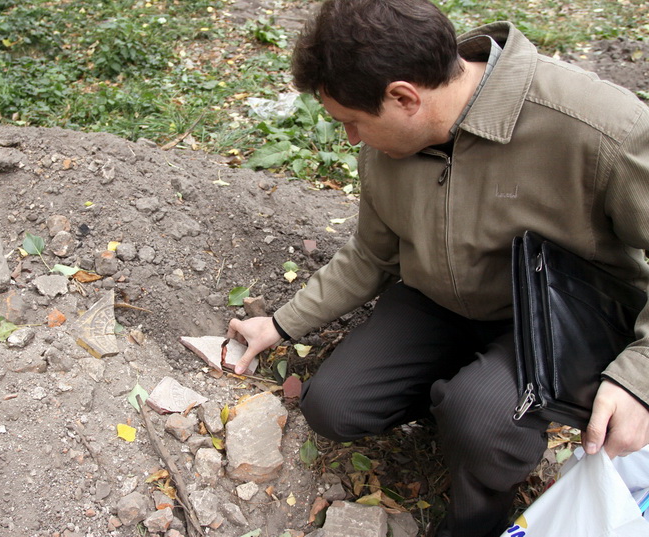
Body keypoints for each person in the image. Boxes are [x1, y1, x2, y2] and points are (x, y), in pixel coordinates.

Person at [225, 0, 649, 535]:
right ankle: (463, 402)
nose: (351, 138)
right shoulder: (388, 140)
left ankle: (479, 507)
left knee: (481, 417)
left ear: (404, 97)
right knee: (334, 406)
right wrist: (282, 324)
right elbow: (372, 253)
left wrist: (638, 379)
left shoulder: (599, 126)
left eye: (353, 122)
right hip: (439, 300)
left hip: (560, 317)